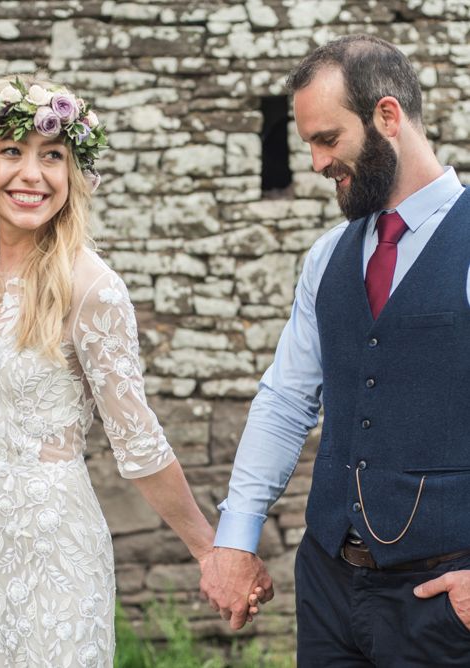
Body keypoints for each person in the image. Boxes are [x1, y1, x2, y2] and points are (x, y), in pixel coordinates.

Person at [0, 75, 218, 667]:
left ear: (74, 177)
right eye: (11, 152)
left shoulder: (92, 289)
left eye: (52, 157)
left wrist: (210, 550)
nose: (31, 175)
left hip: (49, 554)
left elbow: (137, 442)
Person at [200, 34, 470, 666]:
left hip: (442, 600)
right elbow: (285, 401)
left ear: (387, 116)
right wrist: (236, 539)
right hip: (328, 588)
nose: (318, 163)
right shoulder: (327, 256)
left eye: (328, 139)